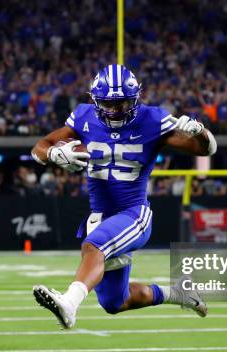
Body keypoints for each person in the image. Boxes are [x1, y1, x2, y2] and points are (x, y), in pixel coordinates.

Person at [30, 64, 217, 328]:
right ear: (95, 100)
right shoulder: (84, 117)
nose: (115, 110)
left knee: (93, 247)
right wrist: (54, 155)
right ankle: (179, 293)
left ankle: (69, 303)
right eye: (108, 103)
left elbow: (205, 150)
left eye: (122, 103)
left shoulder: (152, 119)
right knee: (115, 302)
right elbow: (39, 148)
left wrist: (200, 131)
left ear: (135, 98)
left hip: (133, 213)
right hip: (101, 216)